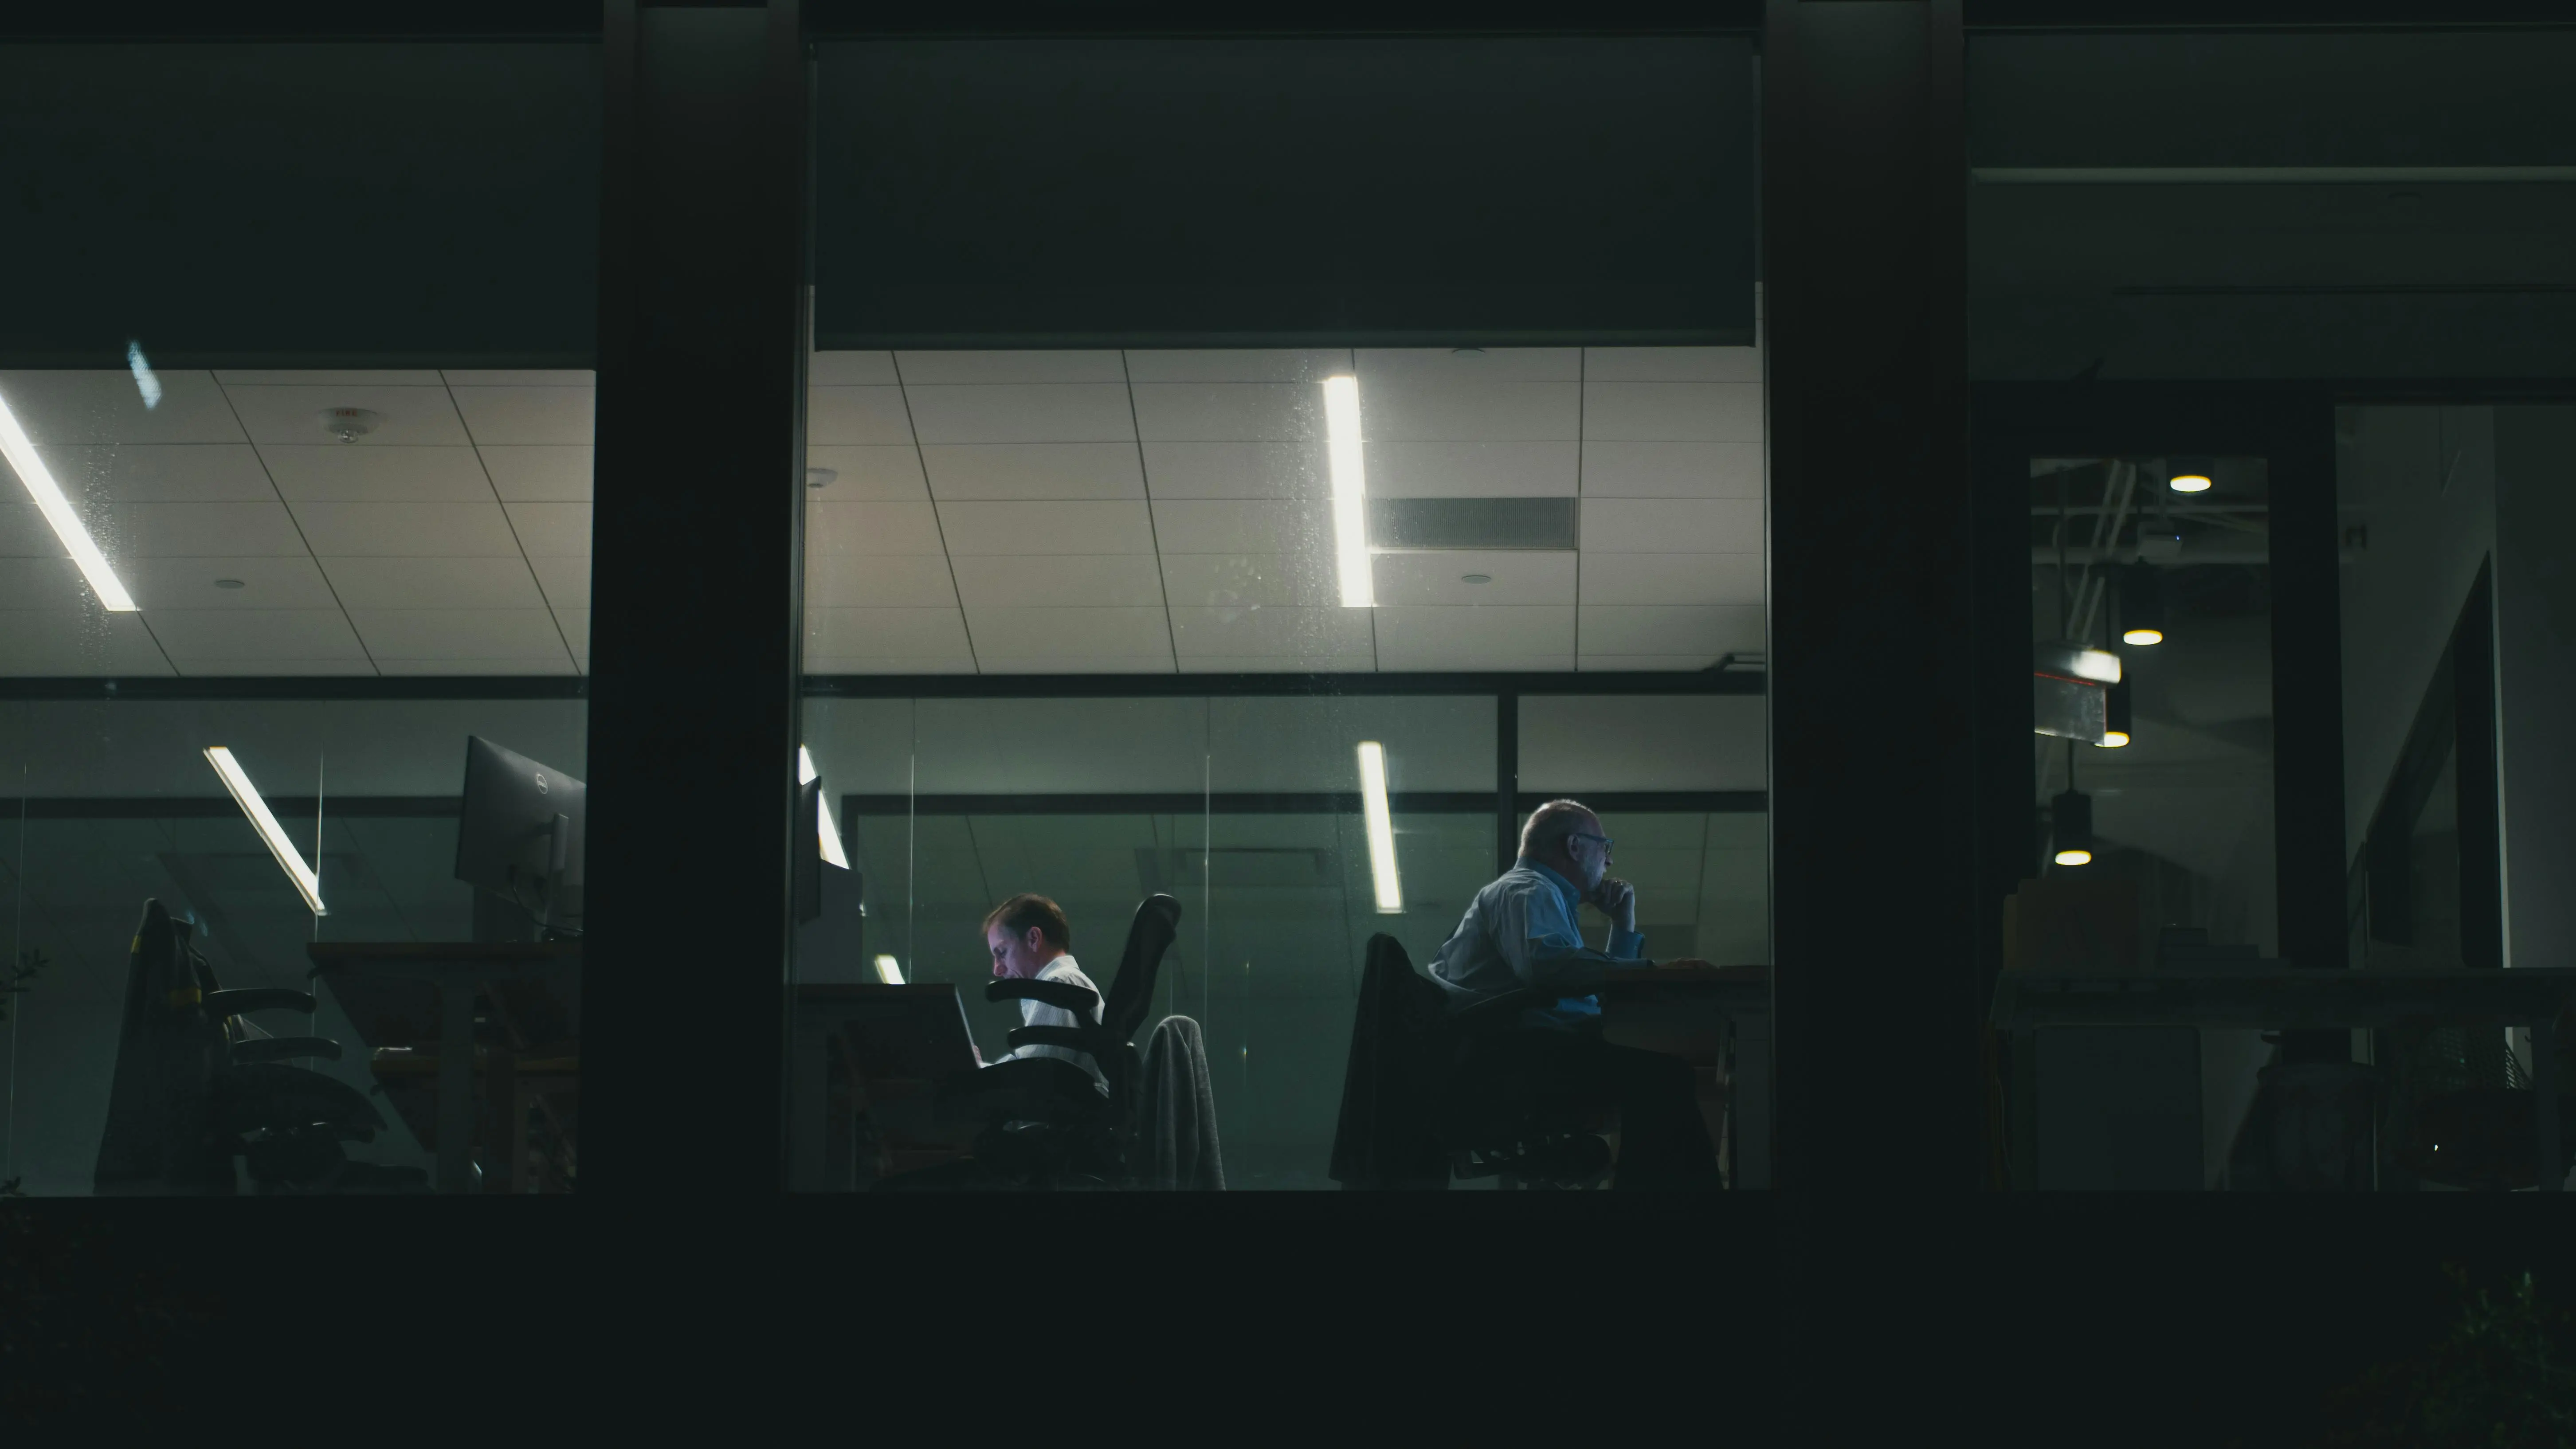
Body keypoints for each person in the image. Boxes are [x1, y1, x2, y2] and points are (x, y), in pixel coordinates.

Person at [1427, 799, 1722, 1188]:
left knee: (1665, 1075)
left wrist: (1622, 923)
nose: (1609, 863)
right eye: (1606, 848)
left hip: (1518, 1051)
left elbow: (1594, 995)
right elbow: (1548, 972)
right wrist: (1655, 971)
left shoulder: (1538, 895)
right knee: (1663, 1078)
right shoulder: (1527, 890)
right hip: (1515, 1059)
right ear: (1574, 847)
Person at [980, 893, 1109, 1097]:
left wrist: (977, 1070)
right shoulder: (1068, 983)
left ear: (1033, 939)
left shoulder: (1060, 983)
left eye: (1002, 952)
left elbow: (1032, 1076)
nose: (997, 969)